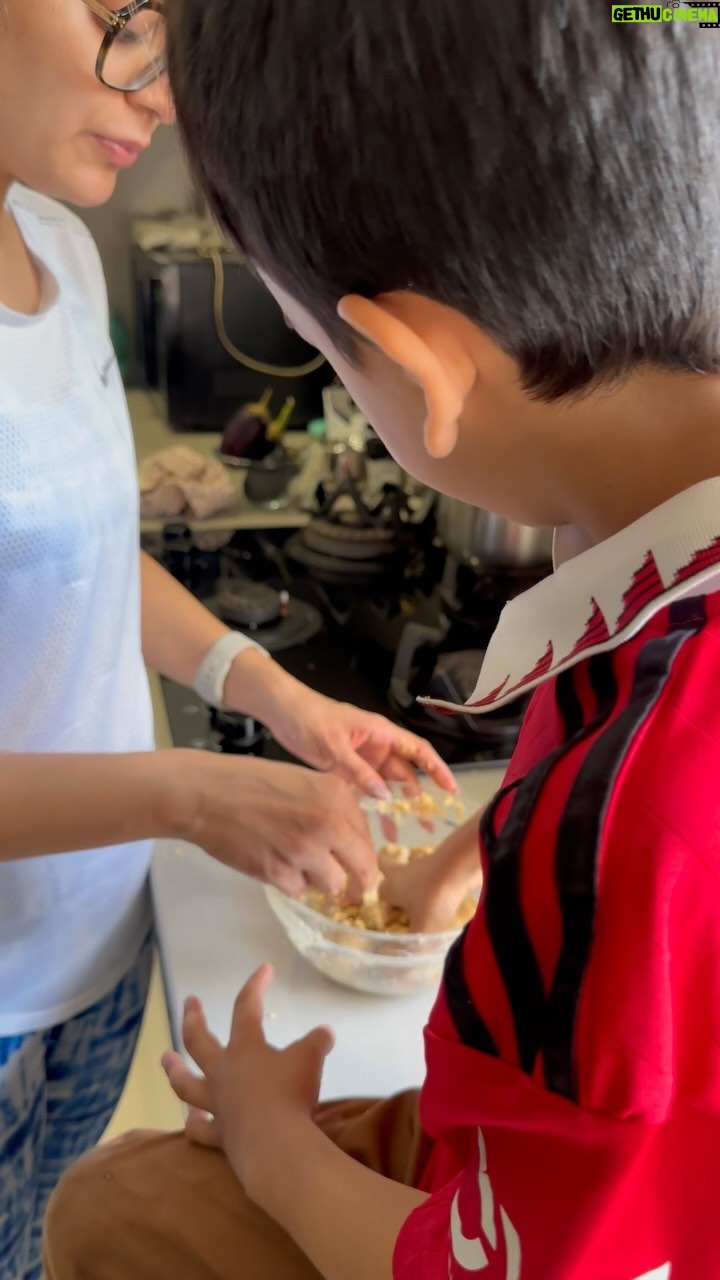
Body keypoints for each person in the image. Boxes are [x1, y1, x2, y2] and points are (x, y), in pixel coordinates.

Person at [43, 3, 720, 1279]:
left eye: (320, 354)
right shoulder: (647, 562)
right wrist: (478, 850)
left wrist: (271, 1142)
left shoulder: (636, 809)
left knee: (111, 1212)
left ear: (418, 374)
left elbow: (511, 1260)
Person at [0, 3, 457, 1278]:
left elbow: (83, 550)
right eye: (118, 18)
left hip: (98, 934)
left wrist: (270, 693)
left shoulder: (53, 245)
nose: (163, 91)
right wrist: (194, 791)